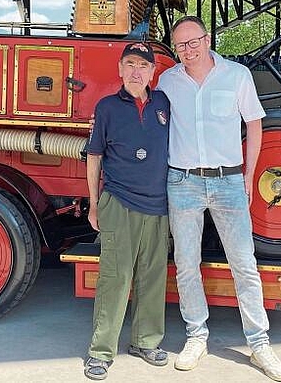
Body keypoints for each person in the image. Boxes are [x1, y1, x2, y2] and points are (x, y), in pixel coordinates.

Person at [157, 16, 281, 382]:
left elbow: (255, 124)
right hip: (182, 182)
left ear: (208, 38)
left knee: (243, 263)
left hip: (228, 181)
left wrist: (249, 175)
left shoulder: (236, 75)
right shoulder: (168, 81)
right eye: (181, 45)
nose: (188, 49)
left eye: (194, 41)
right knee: (186, 263)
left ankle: (259, 343)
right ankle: (196, 336)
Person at [84, 42, 170, 380]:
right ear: (120, 69)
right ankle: (101, 352)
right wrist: (94, 203)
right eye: (130, 64)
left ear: (153, 73)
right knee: (114, 279)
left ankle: (145, 342)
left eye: (143, 66)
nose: (136, 72)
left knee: (153, 277)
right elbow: (94, 157)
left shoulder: (164, 104)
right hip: (118, 202)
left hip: (159, 205)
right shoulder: (106, 107)